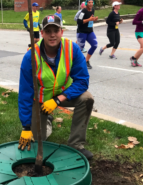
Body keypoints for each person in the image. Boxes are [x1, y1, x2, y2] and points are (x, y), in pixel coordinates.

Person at [18, 14, 94, 160]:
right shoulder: (31, 56)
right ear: (42, 34)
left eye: (56, 30)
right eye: (48, 31)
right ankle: (46, 119)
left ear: (62, 32)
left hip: (62, 95)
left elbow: (82, 81)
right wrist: (26, 127)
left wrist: (58, 100)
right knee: (39, 141)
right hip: (39, 100)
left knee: (87, 98)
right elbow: (25, 92)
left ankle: (76, 144)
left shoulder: (72, 49)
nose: (52, 35)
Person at [76, 0, 98, 69]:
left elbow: (90, 19)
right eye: (89, 2)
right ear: (86, 3)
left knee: (94, 45)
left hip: (89, 31)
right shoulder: (83, 11)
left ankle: (86, 61)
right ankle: (74, 62)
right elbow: (79, 21)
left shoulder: (93, 10)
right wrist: (89, 19)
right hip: (82, 32)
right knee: (80, 49)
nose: (91, 4)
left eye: (92, 2)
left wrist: (93, 19)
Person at [131, 0, 143, 67]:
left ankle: (136, 61)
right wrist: (142, 22)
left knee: (142, 48)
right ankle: (133, 58)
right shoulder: (141, 11)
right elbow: (134, 22)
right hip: (139, 32)